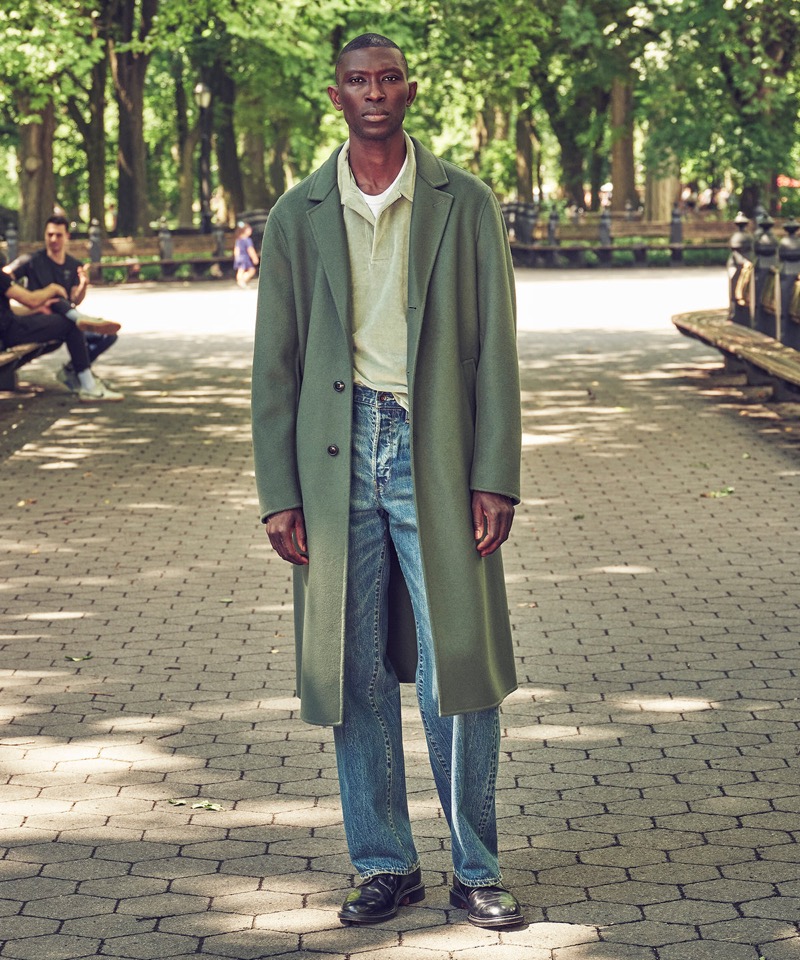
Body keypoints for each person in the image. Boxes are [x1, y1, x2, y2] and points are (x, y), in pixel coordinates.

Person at [251, 34, 523, 929]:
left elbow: (496, 354)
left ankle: (475, 868)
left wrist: (497, 475)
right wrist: (278, 491)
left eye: (389, 78)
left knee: (459, 668)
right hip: (334, 461)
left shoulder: (463, 202)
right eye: (358, 81)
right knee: (352, 670)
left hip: (433, 453)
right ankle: (383, 864)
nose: (374, 92)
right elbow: (276, 365)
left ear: (409, 89)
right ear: (337, 97)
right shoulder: (297, 215)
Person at [4, 215, 122, 396]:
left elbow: (75, 299)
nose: (53, 239)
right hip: (36, 319)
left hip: (59, 314)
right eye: (49, 234)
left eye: (58, 235)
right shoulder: (32, 260)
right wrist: (46, 294)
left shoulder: (73, 264)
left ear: (67, 237)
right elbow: (9, 279)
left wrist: (83, 283)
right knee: (63, 312)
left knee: (108, 335)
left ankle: (73, 370)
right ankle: (86, 381)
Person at [0, 272, 122, 402]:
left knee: (62, 317)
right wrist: (52, 289)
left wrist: (38, 309)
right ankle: (88, 386)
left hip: (7, 329)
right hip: (8, 331)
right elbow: (31, 300)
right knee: (69, 324)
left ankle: (78, 318)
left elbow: (10, 310)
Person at [233, 221, 259, 287]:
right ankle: (242, 280)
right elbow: (250, 249)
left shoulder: (238, 240)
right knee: (252, 270)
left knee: (240, 270)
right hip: (245, 257)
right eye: (249, 230)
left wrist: (236, 257)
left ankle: (240, 281)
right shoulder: (247, 240)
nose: (251, 231)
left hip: (240, 257)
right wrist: (254, 257)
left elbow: (236, 249)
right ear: (244, 231)